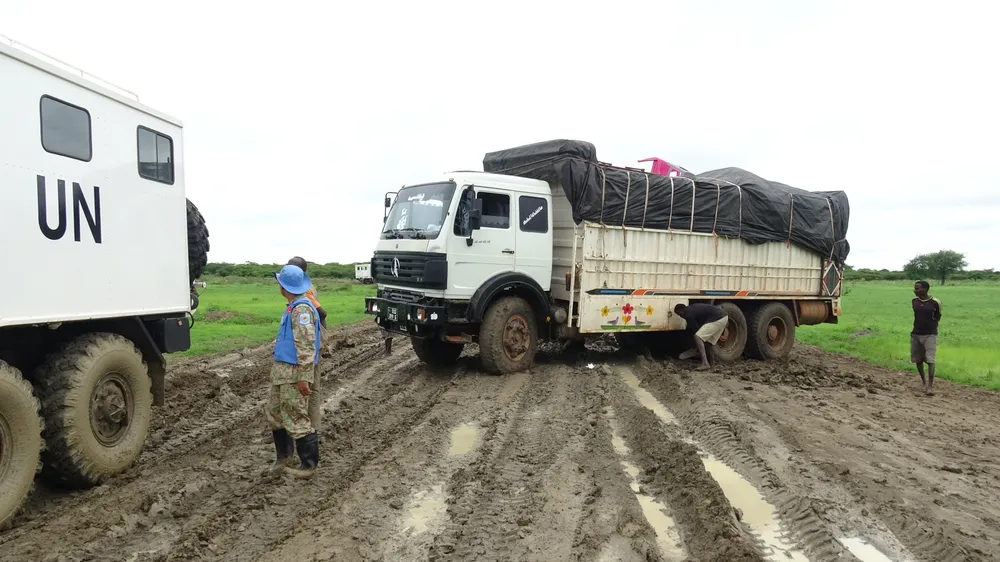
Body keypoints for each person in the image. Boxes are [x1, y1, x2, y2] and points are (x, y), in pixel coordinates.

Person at [266, 264, 322, 478]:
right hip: (282, 372)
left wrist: (304, 378)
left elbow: (306, 346)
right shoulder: (292, 306)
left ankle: (308, 466)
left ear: (284, 286)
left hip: (293, 374)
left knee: (297, 416)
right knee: (275, 413)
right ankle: (284, 458)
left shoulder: (302, 310)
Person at [287, 257, 327, 430]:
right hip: (312, 339)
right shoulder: (303, 288)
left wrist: (320, 339)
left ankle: (311, 428)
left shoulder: (305, 291)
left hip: (310, 340)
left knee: (310, 386)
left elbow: (322, 313)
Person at [673, 303, 729, 371]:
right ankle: (711, 365)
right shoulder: (693, 309)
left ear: (681, 311)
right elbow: (699, 326)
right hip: (724, 317)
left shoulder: (687, 314)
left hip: (717, 318)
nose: (680, 316)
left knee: (697, 337)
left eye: (678, 314)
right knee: (708, 343)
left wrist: (697, 346)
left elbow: (696, 330)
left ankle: (705, 363)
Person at [911, 280, 942, 396]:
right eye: (915, 288)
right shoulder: (914, 302)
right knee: (918, 360)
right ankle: (923, 382)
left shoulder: (935, 303)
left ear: (925, 289)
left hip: (930, 334)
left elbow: (938, 317)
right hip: (916, 334)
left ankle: (930, 386)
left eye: (918, 288)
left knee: (930, 360)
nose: (915, 290)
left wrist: (931, 327)